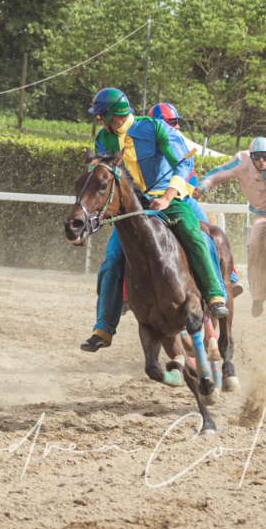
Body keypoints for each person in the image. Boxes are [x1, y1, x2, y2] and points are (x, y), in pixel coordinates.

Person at [81, 89, 229, 353]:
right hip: (132, 211)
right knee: (112, 260)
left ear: (112, 113)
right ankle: (103, 327)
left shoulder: (154, 127)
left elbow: (183, 165)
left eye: (101, 115)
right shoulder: (103, 140)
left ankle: (215, 295)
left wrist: (168, 196)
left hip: (169, 200)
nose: (99, 120)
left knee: (195, 236)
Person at [194, 136, 266, 317]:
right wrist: (201, 187)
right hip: (263, 215)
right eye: (257, 157)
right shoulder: (241, 161)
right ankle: (257, 296)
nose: (261, 161)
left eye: (265, 156)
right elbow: (218, 174)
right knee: (254, 245)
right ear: (251, 156)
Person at [147, 103, 239, 295]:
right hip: (151, 200)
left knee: (210, 235)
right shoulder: (144, 148)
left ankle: (228, 279)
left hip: (185, 200)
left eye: (177, 122)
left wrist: (193, 188)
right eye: (172, 122)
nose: (178, 126)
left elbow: (189, 175)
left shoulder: (181, 144)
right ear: (159, 124)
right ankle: (122, 296)